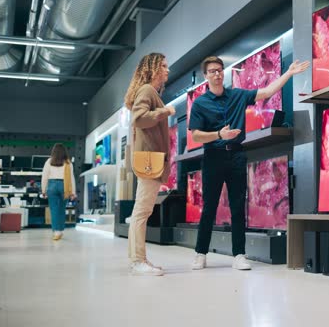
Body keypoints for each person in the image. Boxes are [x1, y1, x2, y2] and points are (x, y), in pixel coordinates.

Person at [189, 56, 309, 271]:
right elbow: (196, 136)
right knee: (209, 208)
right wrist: (219, 134)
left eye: (220, 70)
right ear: (205, 76)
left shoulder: (237, 95)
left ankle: (239, 255)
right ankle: (200, 253)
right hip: (213, 157)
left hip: (236, 155)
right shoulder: (200, 103)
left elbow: (266, 92)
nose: (217, 74)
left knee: (237, 207)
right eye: (212, 71)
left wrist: (289, 73)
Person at [124, 52, 176, 276]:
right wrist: (165, 111)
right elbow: (139, 118)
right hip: (149, 160)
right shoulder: (147, 90)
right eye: (163, 66)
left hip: (149, 159)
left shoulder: (149, 91)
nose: (167, 70)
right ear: (153, 68)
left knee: (142, 211)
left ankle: (139, 259)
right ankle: (138, 261)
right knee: (142, 211)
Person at [41, 143, 76, 241]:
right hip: (64, 186)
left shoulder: (49, 161)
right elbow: (71, 178)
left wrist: (43, 189)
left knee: (54, 210)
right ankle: (60, 230)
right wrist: (73, 192)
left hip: (52, 186)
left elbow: (45, 176)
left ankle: (56, 231)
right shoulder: (68, 163)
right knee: (61, 209)